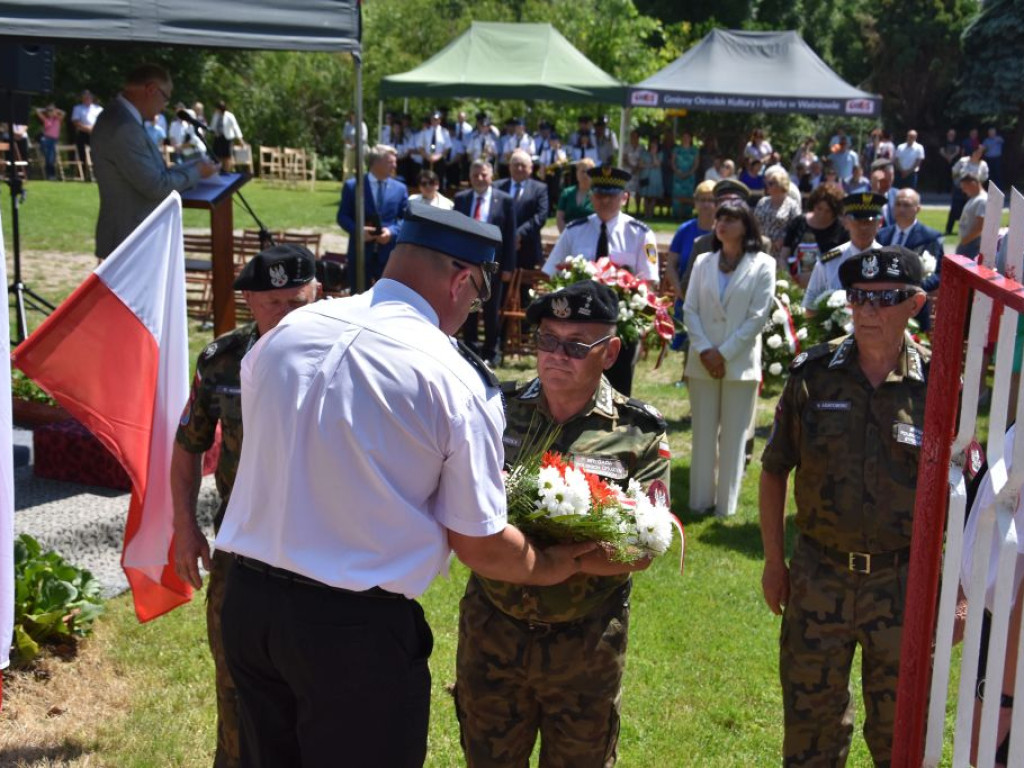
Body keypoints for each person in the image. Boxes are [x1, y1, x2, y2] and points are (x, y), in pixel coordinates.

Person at [216, 202, 593, 768]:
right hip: (350, 630)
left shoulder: (289, 330)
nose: (471, 307)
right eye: (477, 293)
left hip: (247, 604)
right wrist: (554, 565)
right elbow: (480, 542)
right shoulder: (453, 378)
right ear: (462, 279)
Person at [454, 280, 671, 768]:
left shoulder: (638, 431)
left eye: (576, 346)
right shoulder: (496, 410)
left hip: (585, 644)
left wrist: (557, 561)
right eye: (547, 341)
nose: (556, 356)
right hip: (494, 630)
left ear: (611, 351)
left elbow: (644, 546)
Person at [760, 245, 929, 766]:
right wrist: (773, 561)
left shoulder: (940, 385)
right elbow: (774, 467)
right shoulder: (814, 375)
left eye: (886, 299)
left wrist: (959, 588)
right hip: (819, 574)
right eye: (860, 298)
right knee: (811, 731)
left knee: (899, 736)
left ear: (915, 304)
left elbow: (959, 494)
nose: (870, 311)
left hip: (902, 583)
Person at [172, 244, 319, 768]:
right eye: (273, 303)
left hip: (320, 555)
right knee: (236, 688)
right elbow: (188, 444)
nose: (286, 315)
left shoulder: (348, 358)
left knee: (315, 693)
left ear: (318, 294)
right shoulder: (222, 361)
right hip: (243, 552)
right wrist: (184, 527)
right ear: (250, 300)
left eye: (297, 301)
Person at [683, 201, 775, 517]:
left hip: (739, 363)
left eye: (731, 218)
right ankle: (699, 501)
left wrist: (722, 354)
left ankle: (726, 506)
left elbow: (758, 317)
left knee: (735, 438)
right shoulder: (703, 263)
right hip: (701, 361)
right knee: (703, 433)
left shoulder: (763, 264)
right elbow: (689, 309)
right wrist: (705, 351)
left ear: (746, 225)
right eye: (720, 217)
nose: (722, 223)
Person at [543, 165, 659, 396]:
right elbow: (551, 274)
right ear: (591, 196)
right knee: (574, 388)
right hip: (577, 326)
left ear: (625, 197)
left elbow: (650, 284)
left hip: (620, 328)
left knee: (618, 393)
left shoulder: (640, 234)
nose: (605, 201)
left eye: (611, 195)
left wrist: (640, 327)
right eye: (599, 194)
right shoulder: (574, 231)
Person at [91, 64, 219, 260]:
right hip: (131, 241)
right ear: (151, 90)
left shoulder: (121, 118)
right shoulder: (124, 126)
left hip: (131, 239)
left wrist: (194, 166)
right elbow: (155, 185)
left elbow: (155, 173)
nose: (165, 106)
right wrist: (198, 172)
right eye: (165, 97)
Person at [454, 159, 517, 366]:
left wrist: (508, 267)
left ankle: (491, 350)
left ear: (491, 176)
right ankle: (470, 349)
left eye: (483, 175)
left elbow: (510, 236)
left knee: (491, 309)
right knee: (467, 305)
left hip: (494, 265)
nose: (480, 179)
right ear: (470, 178)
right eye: (475, 175)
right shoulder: (461, 199)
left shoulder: (505, 200)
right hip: (466, 263)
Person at [336, 143, 409, 285]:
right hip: (360, 254)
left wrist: (391, 232)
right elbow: (342, 216)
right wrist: (359, 231)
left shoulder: (400, 189)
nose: (394, 166)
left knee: (387, 301)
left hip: (388, 256)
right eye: (390, 162)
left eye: (395, 162)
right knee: (358, 299)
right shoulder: (353, 186)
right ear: (376, 162)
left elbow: (405, 219)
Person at [802, 192, 885, 311]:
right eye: (857, 221)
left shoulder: (887, 261)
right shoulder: (829, 261)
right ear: (846, 222)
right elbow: (810, 305)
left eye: (869, 221)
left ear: (880, 223)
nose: (863, 227)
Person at [780, 184, 849, 287]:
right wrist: (789, 279)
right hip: (795, 283)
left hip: (827, 285)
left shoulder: (842, 231)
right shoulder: (798, 223)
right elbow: (783, 256)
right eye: (819, 208)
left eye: (827, 211)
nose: (822, 214)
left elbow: (844, 263)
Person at [495, 149, 550, 270]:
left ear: (531, 168)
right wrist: (507, 236)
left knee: (525, 288)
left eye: (523, 165)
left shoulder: (540, 188)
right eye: (516, 165)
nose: (519, 168)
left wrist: (518, 234)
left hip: (527, 249)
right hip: (500, 248)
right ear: (509, 167)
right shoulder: (497, 187)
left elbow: (541, 216)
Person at [755, 166, 802, 264]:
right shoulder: (762, 202)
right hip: (762, 248)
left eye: (771, 183)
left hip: (781, 251)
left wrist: (784, 241)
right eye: (767, 183)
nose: (767, 185)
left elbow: (797, 228)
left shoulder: (792, 205)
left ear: (780, 185)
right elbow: (755, 223)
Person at [949, 146, 990, 237]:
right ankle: (949, 229)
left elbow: (984, 178)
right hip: (960, 188)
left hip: (974, 190)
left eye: (980, 153)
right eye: (976, 152)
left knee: (969, 210)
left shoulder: (983, 164)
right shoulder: (963, 161)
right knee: (955, 208)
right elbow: (954, 171)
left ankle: (968, 229)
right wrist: (957, 182)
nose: (978, 154)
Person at [556, 157, 596, 232]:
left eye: (588, 172)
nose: (585, 175)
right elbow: (559, 218)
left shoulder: (597, 195)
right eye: (582, 171)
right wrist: (566, 236)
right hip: (568, 236)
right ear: (577, 173)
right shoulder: (567, 193)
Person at [71, 89, 102, 178]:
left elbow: (102, 121)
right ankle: (83, 174)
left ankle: (97, 173)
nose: (87, 99)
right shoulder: (77, 108)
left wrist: (93, 129)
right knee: (82, 153)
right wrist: (86, 128)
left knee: (97, 153)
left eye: (89, 97)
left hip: (96, 133)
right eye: (85, 97)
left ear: (92, 98)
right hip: (83, 133)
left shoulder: (98, 109)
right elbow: (75, 121)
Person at [957, 172, 987, 260]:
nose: (963, 191)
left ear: (973, 184)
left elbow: (980, 226)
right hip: (967, 243)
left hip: (973, 245)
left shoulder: (982, 200)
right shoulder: (974, 198)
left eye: (965, 187)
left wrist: (965, 241)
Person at [671, 130, 700, 218]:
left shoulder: (694, 150)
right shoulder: (676, 150)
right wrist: (677, 171)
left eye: (687, 137)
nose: (685, 139)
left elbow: (696, 163)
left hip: (690, 176)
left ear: (691, 138)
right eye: (684, 137)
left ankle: (687, 215)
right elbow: (672, 162)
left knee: (688, 196)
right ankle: (676, 215)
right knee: (677, 196)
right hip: (678, 175)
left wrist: (689, 173)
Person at [209, 100, 243, 172]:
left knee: (227, 157)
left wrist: (240, 139)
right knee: (217, 156)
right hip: (218, 138)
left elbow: (235, 127)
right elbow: (212, 126)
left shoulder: (230, 116)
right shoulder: (215, 115)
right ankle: (218, 171)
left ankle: (226, 171)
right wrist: (212, 131)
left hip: (227, 138)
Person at [34, 104, 65, 181]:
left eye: (52, 111)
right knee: (48, 158)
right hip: (46, 139)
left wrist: (56, 110)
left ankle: (51, 175)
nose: (50, 113)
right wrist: (45, 109)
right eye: (49, 112)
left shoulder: (58, 119)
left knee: (51, 158)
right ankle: (50, 175)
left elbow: (64, 113)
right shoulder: (46, 119)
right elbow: (37, 110)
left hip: (54, 140)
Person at [639, 135, 665, 219]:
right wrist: (651, 165)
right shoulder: (644, 153)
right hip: (645, 176)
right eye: (652, 145)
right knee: (646, 196)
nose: (653, 146)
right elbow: (641, 164)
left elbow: (657, 164)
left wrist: (653, 155)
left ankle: (651, 214)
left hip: (655, 177)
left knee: (653, 197)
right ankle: (646, 214)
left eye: (655, 145)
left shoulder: (660, 154)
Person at [342, 110, 368, 181]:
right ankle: (350, 182)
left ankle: (362, 181)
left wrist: (356, 145)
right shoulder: (347, 125)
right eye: (353, 115)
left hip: (360, 148)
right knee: (349, 167)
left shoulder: (362, 125)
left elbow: (364, 138)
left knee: (360, 167)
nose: (354, 117)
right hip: (349, 148)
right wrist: (351, 145)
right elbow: (344, 137)